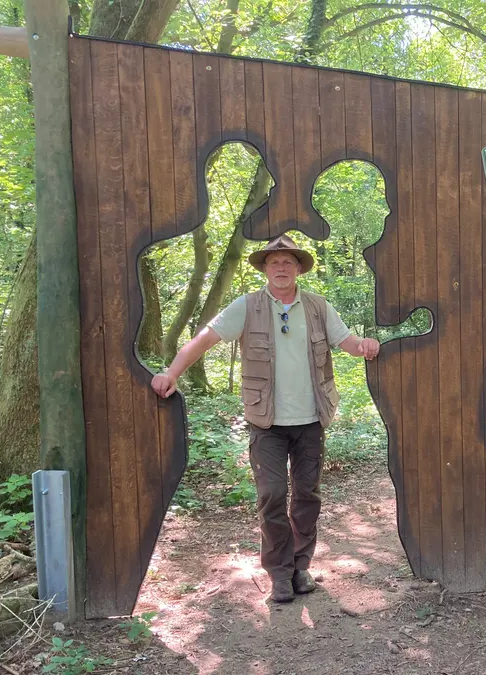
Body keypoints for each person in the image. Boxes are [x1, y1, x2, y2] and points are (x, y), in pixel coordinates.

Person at [151, 234, 380, 603]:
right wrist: (172, 372)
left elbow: (348, 343)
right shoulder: (246, 307)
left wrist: (365, 347)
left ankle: (300, 566)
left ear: (299, 268)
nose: (281, 268)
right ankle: (279, 572)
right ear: (264, 269)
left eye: (288, 262)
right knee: (272, 495)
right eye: (274, 262)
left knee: (307, 497)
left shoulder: (319, 307)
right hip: (266, 423)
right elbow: (204, 340)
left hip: (310, 421)